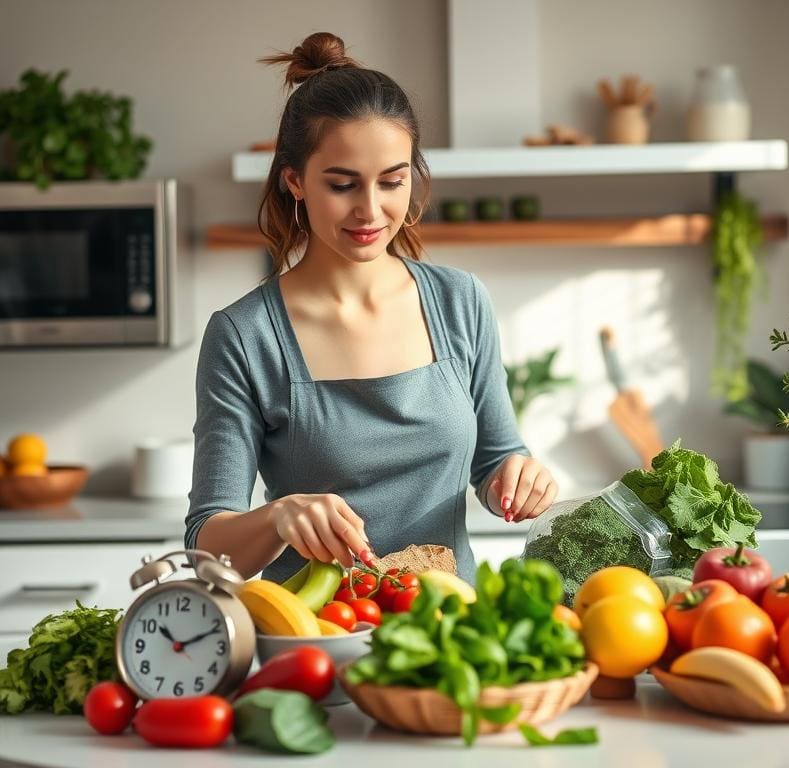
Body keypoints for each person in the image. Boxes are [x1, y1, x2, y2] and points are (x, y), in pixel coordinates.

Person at [184, 32, 558, 584]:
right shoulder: (244, 336)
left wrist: (520, 476)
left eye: (392, 182)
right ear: (295, 180)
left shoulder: (461, 302)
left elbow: (496, 461)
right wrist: (278, 517)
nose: (369, 210)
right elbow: (208, 548)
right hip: (315, 639)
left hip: (451, 631)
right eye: (342, 184)